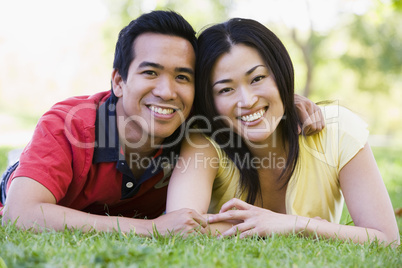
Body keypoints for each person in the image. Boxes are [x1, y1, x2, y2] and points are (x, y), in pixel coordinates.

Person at [0, 11, 322, 236]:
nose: (167, 92)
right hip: (21, 188)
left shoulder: (191, 123)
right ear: (118, 81)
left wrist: (285, 101)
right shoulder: (68, 127)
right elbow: (21, 214)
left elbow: (237, 100)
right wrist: (152, 228)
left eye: (182, 76)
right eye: (150, 73)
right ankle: (20, 161)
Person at [166, 18, 400, 246]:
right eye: (226, 89)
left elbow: (387, 239)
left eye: (257, 78)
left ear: (281, 73)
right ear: (209, 100)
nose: (247, 101)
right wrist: (268, 225)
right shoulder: (204, 142)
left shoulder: (337, 132)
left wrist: (295, 224)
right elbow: (181, 226)